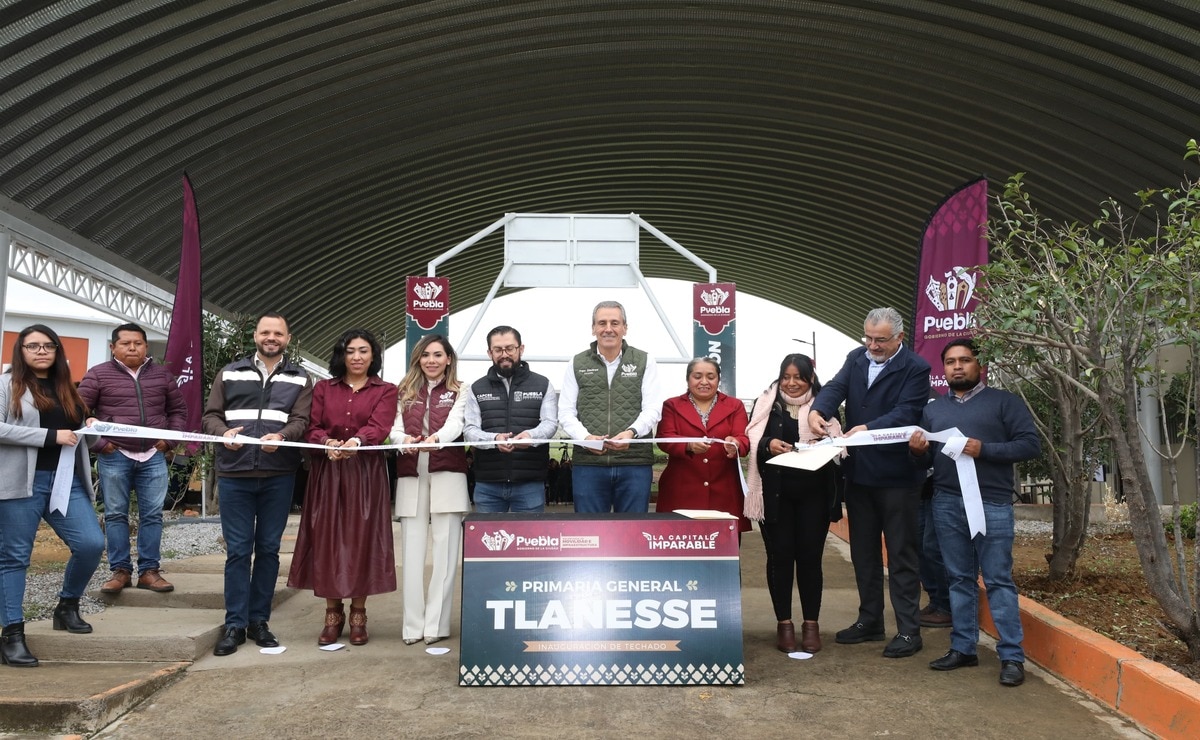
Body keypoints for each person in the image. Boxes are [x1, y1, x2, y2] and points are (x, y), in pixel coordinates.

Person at [908, 338, 1040, 686]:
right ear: (944, 369)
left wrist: (985, 449)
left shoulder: (1003, 402)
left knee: (998, 580)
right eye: (950, 361)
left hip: (992, 502)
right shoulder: (933, 410)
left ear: (979, 365)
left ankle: (1011, 656)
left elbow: (1030, 444)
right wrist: (918, 451)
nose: (957, 366)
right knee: (959, 579)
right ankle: (963, 647)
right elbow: (925, 459)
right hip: (947, 501)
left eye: (964, 360)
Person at [808, 307, 931, 658]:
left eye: (880, 340)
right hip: (859, 475)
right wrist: (820, 410)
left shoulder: (916, 368)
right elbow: (835, 387)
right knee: (863, 552)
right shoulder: (856, 357)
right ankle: (870, 620)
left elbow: (907, 412)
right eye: (868, 338)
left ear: (899, 338)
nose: (872, 346)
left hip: (897, 477)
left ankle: (909, 631)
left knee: (901, 553)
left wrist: (869, 429)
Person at [202, 313, 312, 656]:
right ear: (255, 336)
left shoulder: (300, 378)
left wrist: (283, 436)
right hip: (235, 474)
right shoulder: (229, 372)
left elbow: (302, 420)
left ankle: (259, 621)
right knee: (237, 551)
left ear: (287, 338)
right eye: (266, 332)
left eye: (278, 333)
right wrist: (223, 434)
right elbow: (210, 416)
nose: (271, 337)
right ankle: (234, 623)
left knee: (267, 550)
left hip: (278, 475)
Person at [0, 325, 104, 667]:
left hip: (66, 481)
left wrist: (92, 429)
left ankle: (67, 606)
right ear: (21, 351)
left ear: (57, 351)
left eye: (48, 346)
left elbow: (75, 433)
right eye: (33, 346)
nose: (41, 351)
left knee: (91, 544)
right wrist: (49, 436)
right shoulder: (6, 384)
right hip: (20, 483)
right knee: (15, 557)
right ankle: (12, 634)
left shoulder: (67, 389)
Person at [286, 329, 398, 646]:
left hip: (365, 474)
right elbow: (313, 425)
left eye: (364, 351)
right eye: (351, 351)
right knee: (328, 541)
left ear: (373, 356)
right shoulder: (323, 388)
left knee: (361, 541)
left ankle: (359, 614)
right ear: (342, 355)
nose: (358, 357)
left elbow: (380, 426)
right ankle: (332, 614)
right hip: (328, 472)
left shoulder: (386, 390)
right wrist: (327, 443)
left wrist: (356, 442)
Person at [78, 322, 188, 595]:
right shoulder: (98, 375)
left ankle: (150, 571)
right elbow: (77, 412)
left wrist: (169, 441)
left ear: (146, 346)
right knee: (115, 515)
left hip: (153, 455)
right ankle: (121, 571)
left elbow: (178, 412)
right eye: (125, 343)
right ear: (112, 347)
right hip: (115, 455)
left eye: (138, 343)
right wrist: (101, 444)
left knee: (152, 515)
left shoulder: (162, 376)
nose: (132, 348)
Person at [745, 354, 841, 654]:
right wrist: (767, 444)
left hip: (815, 496)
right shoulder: (766, 405)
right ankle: (784, 624)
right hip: (775, 497)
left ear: (810, 378)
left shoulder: (825, 406)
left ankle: (810, 624)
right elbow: (751, 439)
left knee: (810, 560)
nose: (792, 382)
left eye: (799, 376)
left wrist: (823, 441)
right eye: (786, 376)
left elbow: (840, 444)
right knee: (780, 559)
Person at [393, 334, 469, 645]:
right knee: (411, 554)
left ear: (449, 359)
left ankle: (436, 626)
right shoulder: (403, 391)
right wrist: (403, 441)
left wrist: (437, 438)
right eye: (426, 355)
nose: (432, 360)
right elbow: (392, 427)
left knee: (446, 552)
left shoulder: (462, 390)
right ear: (418, 359)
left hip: (448, 472)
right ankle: (412, 626)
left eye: (438, 355)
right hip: (411, 473)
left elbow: (456, 424)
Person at [558, 301, 662, 513]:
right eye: (602, 323)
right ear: (593, 328)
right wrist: (585, 438)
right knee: (589, 534)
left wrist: (632, 433)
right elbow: (566, 412)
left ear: (625, 327)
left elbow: (652, 408)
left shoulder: (645, 361)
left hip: (634, 462)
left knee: (633, 534)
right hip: (589, 464)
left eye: (615, 323)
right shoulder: (576, 363)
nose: (608, 328)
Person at [463, 326, 559, 513]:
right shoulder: (477, 388)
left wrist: (530, 437)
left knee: (529, 540)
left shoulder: (543, 384)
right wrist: (494, 440)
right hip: (488, 484)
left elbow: (550, 423)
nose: (504, 354)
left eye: (510, 348)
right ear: (489, 352)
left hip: (529, 482)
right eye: (498, 350)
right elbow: (470, 430)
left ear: (520, 349)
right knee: (489, 541)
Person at [655, 358, 749, 530]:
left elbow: (743, 438)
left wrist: (735, 444)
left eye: (711, 376)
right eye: (697, 376)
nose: (704, 382)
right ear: (688, 379)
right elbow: (664, 437)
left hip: (724, 489)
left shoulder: (735, 406)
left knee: (724, 551)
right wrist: (688, 445)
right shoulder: (672, 405)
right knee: (681, 547)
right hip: (682, 490)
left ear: (719, 380)